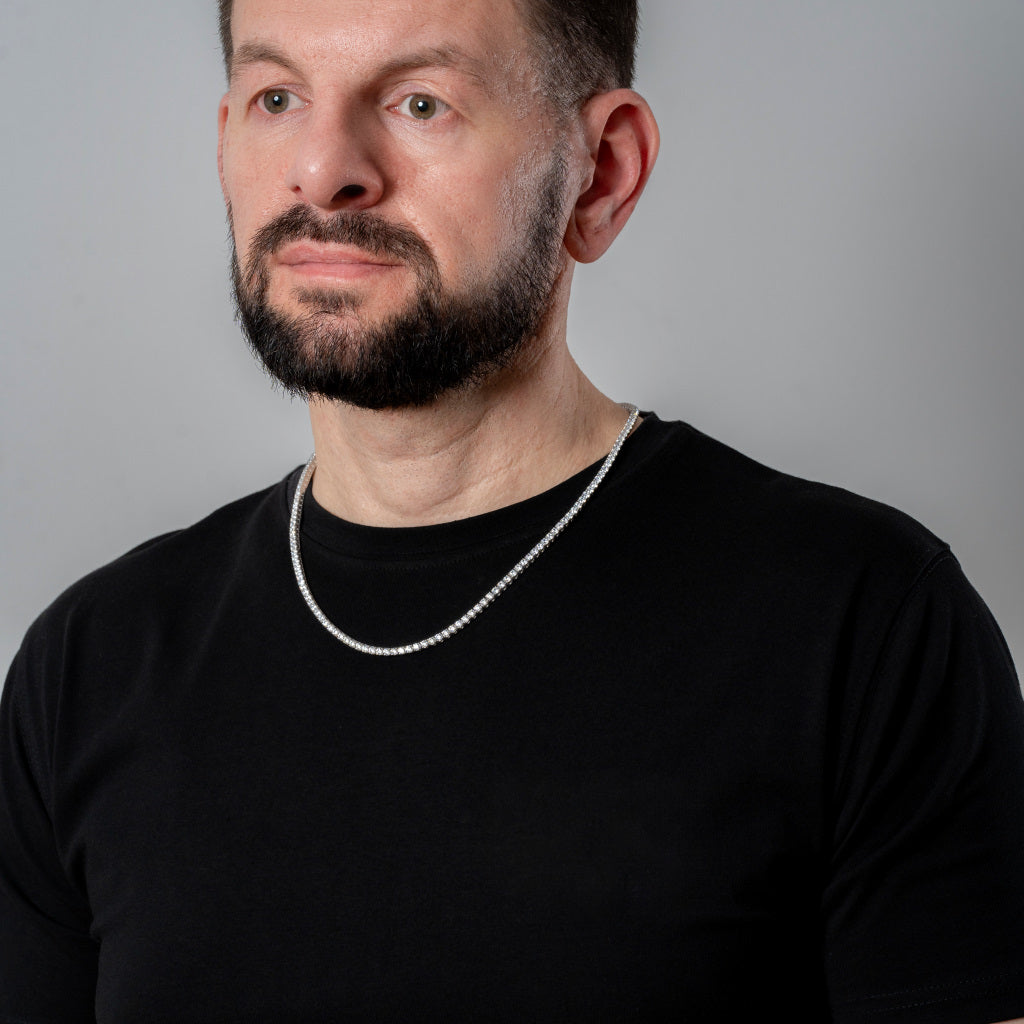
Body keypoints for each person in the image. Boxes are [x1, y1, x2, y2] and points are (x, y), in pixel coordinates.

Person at [2, 0, 1023, 1019]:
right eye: (278, 96)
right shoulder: (88, 665)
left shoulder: (865, 630)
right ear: (226, 137)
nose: (321, 170)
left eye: (418, 101)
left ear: (602, 172)